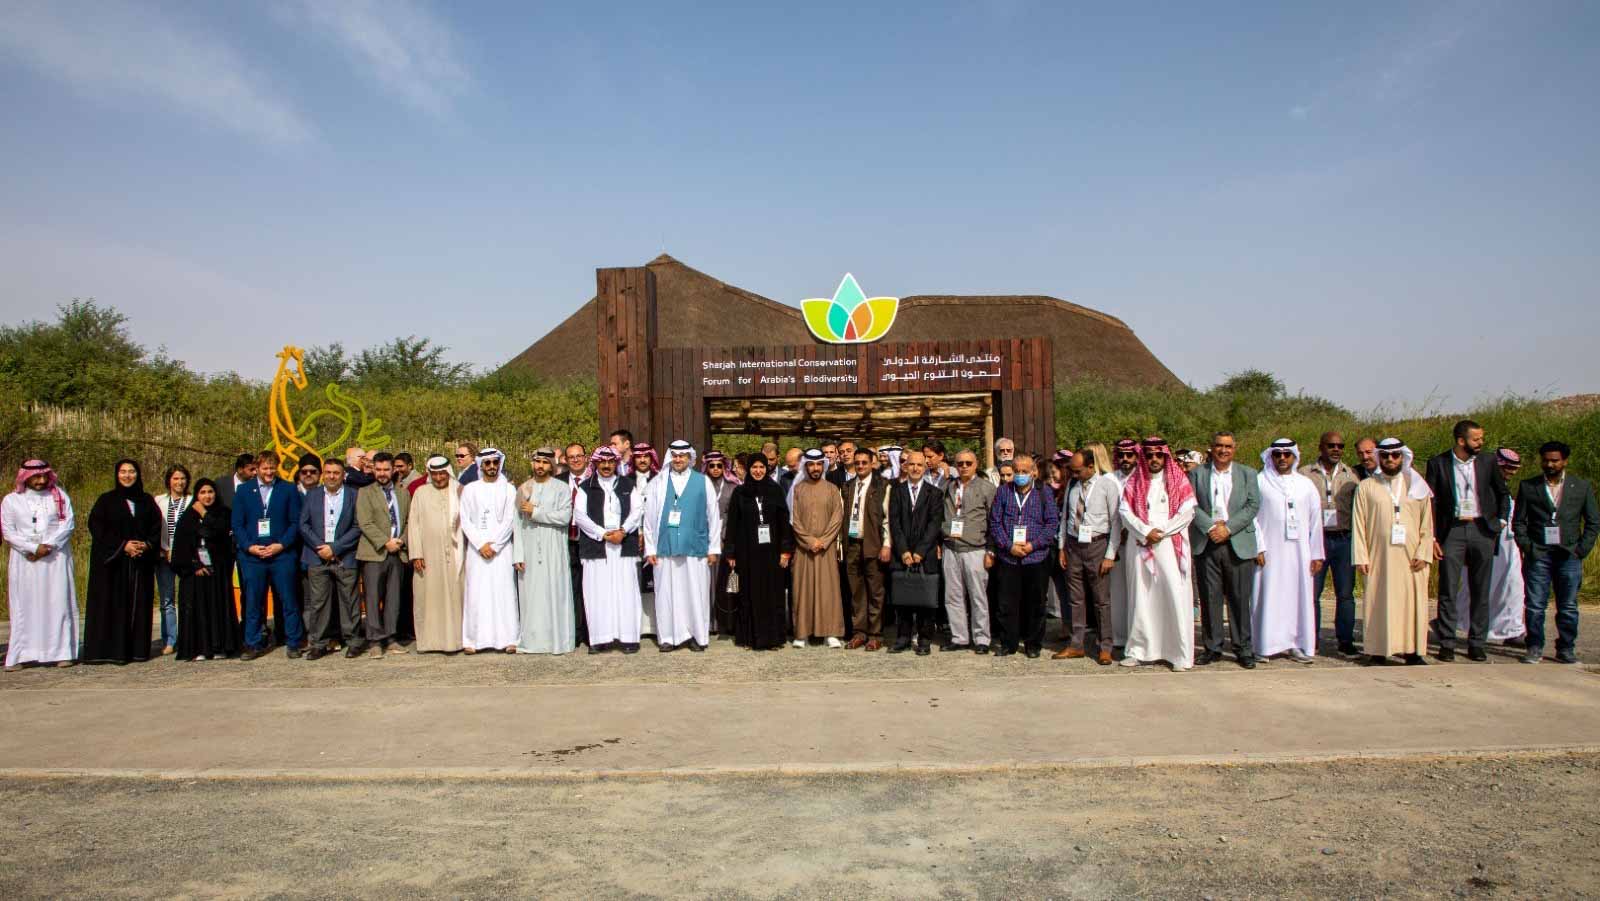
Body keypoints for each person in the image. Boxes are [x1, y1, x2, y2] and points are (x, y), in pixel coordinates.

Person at [1425, 419, 1511, 662]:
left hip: (1482, 529)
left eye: (1481, 438)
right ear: (1461, 441)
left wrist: (1500, 522)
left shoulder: (1488, 462)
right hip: (1452, 530)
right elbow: (1430, 501)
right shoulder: (1438, 463)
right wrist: (1432, 535)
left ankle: (1476, 642)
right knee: (1448, 589)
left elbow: (1502, 493)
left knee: (1481, 589)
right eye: (1476, 439)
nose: (1481, 443)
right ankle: (1447, 643)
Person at [1514, 441, 1599, 664]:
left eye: (1555, 460)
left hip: (1568, 554)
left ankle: (1566, 648)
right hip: (1539, 554)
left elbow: (1592, 522)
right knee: (1534, 604)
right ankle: (1534, 646)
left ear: (1564, 461)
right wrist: (1528, 547)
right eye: (1546, 460)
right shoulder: (1528, 486)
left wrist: (1581, 550)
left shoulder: (1580, 487)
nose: (1549, 464)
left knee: (1568, 605)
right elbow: (1519, 522)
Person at [1117, 437, 1198, 670]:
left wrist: (1160, 532)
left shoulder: (1178, 479)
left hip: (1170, 548)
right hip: (1141, 546)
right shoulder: (1134, 481)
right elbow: (1125, 512)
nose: (1154, 459)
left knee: (1173, 595)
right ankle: (1138, 650)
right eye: (1149, 455)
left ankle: (1177, 654)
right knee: (1141, 598)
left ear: (1165, 456)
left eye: (1158, 455)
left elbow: (1187, 512)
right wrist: (1145, 532)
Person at [1352, 438, 1434, 665]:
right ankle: (1379, 651)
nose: (1390, 459)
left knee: (1412, 602)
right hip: (1379, 557)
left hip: (1412, 558)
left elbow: (1427, 524)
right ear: (1379, 457)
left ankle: (1413, 652)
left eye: (1395, 455)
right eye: (1385, 456)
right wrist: (1361, 556)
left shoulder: (1417, 485)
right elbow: (1359, 524)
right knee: (1379, 601)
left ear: (1403, 457)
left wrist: (1424, 552)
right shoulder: (1367, 487)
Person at [1189, 431, 1261, 668]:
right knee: (1210, 597)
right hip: (1207, 542)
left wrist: (1227, 529)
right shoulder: (1197, 474)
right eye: (1219, 445)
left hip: (1237, 542)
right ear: (1211, 448)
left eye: (1228, 446)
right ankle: (1212, 647)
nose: (1223, 450)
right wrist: (1210, 527)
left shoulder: (1248, 474)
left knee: (1240, 598)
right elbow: (1190, 504)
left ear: (1234, 448)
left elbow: (1252, 506)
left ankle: (1243, 648)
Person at [643, 440, 723, 653]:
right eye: (675, 456)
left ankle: (697, 636)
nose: (678, 459)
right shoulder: (657, 483)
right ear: (670, 457)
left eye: (683, 456)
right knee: (666, 594)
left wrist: (713, 548)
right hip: (665, 549)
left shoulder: (703, 481)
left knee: (695, 593)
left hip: (695, 547)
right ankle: (668, 637)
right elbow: (649, 519)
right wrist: (650, 549)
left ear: (690, 458)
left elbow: (713, 517)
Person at [80, 459, 163, 664]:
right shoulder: (106, 501)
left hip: (139, 564)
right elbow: (97, 527)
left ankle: (135, 650)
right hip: (113, 565)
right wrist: (123, 545)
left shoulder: (146, 500)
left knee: (138, 605)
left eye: (132, 471)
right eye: (123, 472)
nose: (127, 475)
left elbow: (155, 527)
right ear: (117, 475)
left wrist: (145, 545)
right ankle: (108, 651)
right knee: (111, 605)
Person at [1252, 439, 1325, 663]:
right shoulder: (1260, 481)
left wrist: (1316, 553)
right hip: (1269, 553)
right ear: (1270, 457)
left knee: (1298, 598)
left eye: (1287, 454)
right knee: (1268, 595)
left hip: (1299, 554)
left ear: (1294, 457)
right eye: (1277, 455)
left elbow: (1315, 522)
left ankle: (1297, 644)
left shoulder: (1306, 484)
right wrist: (1258, 546)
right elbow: (1251, 517)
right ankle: (1264, 645)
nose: (1282, 458)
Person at [2, 460, 78, 670]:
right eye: (36, 477)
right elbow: (9, 532)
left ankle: (62, 652)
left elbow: (68, 524)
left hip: (55, 558)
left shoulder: (59, 496)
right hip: (25, 561)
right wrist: (33, 549)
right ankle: (22, 654)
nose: (41, 481)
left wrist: (48, 546)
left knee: (58, 603)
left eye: (44, 476)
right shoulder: (11, 500)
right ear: (25, 477)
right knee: (24, 607)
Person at [232, 450, 304, 660]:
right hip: (253, 557)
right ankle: (253, 643)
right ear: (257, 468)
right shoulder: (244, 491)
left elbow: (295, 522)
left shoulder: (288, 489)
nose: (269, 472)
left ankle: (293, 642)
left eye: (273, 468)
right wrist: (249, 547)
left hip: (281, 555)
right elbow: (237, 524)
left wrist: (281, 545)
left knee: (289, 600)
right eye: (265, 468)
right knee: (254, 602)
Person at [987, 452, 1060, 658]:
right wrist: (1008, 546)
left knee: (1035, 602)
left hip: (1035, 556)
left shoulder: (1044, 492)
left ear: (1034, 472)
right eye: (1017, 471)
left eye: (1024, 471)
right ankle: (1008, 643)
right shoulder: (1003, 491)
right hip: (1009, 556)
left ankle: (1033, 644)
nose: (1020, 475)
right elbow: (995, 522)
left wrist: (1032, 545)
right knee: (1006, 602)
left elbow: (1051, 524)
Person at [574, 447, 645, 653]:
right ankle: (599, 639)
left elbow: (637, 510)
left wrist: (623, 531)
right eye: (602, 462)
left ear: (616, 463)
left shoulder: (628, 484)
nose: (606, 466)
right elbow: (580, 516)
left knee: (626, 591)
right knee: (597, 592)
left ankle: (629, 638)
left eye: (610, 462)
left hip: (623, 544)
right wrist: (603, 533)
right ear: (595, 463)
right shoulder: (585, 487)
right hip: (597, 546)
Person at [1454, 448, 1528, 647]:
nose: (1511, 472)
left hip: (1508, 547)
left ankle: (1512, 629)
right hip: (1483, 543)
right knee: (1473, 588)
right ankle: (1454, 621)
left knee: (1513, 586)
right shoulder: (1479, 485)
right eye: (1508, 468)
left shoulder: (1503, 487)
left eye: (1514, 468)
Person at [1055, 444, 1119, 664]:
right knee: (1075, 598)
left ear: (1091, 467)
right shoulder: (1073, 484)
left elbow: (1115, 522)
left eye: (1078, 470)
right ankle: (1076, 644)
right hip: (1073, 545)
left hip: (1097, 545)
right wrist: (1062, 547)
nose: (1074, 474)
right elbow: (1065, 517)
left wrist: (1110, 554)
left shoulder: (1107, 485)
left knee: (1101, 600)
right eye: (1072, 471)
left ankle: (1105, 646)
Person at [1300, 431, 1360, 656]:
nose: (1336, 449)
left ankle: (1345, 640)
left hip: (1344, 538)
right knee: (1312, 593)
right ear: (1321, 447)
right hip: (1317, 539)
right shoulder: (1305, 474)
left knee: (1345, 593)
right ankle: (1311, 639)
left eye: (1341, 446)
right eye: (1332, 445)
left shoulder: (1351, 475)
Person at [724, 456, 793, 650]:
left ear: (767, 469)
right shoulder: (740, 492)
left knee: (772, 594)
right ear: (748, 469)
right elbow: (733, 525)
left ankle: (773, 638)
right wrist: (730, 552)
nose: (758, 471)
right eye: (754, 467)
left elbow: (783, 523)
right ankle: (749, 638)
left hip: (771, 553)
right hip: (747, 552)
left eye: (761, 467)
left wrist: (785, 551)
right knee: (748, 594)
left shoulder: (776, 491)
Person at [299, 458, 365, 659]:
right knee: (319, 603)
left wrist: (335, 548)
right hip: (317, 556)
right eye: (328, 472)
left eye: (336, 473)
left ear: (343, 475)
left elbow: (358, 526)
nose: (331, 476)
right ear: (322, 474)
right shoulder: (312, 494)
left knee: (350, 601)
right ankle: (319, 643)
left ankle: (353, 640)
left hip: (344, 556)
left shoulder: (354, 495)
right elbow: (303, 524)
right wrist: (321, 547)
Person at [169, 478, 240, 661]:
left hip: (218, 571)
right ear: (196, 495)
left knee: (218, 608)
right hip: (196, 574)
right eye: (202, 493)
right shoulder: (188, 517)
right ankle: (200, 648)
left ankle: (220, 646)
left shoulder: (223, 513)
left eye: (210, 492)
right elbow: (180, 548)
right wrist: (195, 566)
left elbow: (219, 532)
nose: (207, 496)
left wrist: (205, 514)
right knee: (198, 610)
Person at [513, 447, 576, 655]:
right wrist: (518, 555)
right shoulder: (523, 489)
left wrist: (536, 512)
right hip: (530, 550)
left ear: (552, 465)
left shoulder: (561, 488)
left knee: (554, 593)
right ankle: (533, 642)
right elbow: (517, 524)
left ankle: (558, 641)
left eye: (545, 463)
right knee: (531, 596)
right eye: (537, 462)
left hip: (554, 549)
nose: (540, 466)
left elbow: (564, 517)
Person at [459, 448, 520, 654]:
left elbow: (512, 519)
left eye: (495, 463)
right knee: (477, 593)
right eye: (488, 463)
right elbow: (465, 520)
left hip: (501, 551)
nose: (492, 467)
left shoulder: (509, 490)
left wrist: (494, 545)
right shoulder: (470, 489)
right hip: (477, 552)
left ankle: (509, 639)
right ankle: (473, 640)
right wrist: (480, 544)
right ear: (481, 465)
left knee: (504, 593)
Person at [790, 449, 846, 648]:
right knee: (802, 589)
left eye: (818, 464)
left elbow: (837, 518)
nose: (815, 468)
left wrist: (823, 540)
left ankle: (830, 632)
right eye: (811, 465)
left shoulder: (832, 489)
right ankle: (802, 633)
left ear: (823, 465)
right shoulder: (798, 489)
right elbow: (794, 520)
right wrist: (809, 541)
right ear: (806, 466)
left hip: (826, 549)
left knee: (828, 589)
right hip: (804, 549)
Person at [355, 452, 410, 655]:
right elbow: (365, 522)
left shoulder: (403, 494)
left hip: (398, 552)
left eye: (386, 469)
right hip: (374, 553)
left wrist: (401, 540)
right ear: (373, 470)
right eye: (378, 470)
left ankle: (391, 637)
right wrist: (385, 542)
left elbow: (408, 521)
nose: (382, 473)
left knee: (393, 597)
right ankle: (375, 640)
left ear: (393, 470)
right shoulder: (365, 492)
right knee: (372, 597)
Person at [888, 450, 943, 655]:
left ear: (925, 467)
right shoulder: (896, 490)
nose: (915, 468)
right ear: (905, 466)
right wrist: (903, 551)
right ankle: (902, 638)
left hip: (925, 553)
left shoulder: (934, 493)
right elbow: (894, 522)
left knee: (925, 601)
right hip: (902, 553)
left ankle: (925, 639)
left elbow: (934, 524)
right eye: (912, 464)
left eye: (920, 465)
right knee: (902, 599)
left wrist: (920, 551)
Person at [942, 448, 996, 653]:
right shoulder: (948, 487)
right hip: (951, 547)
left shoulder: (986, 488)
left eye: (968, 463)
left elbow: (994, 521)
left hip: (976, 549)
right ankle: (959, 637)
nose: (963, 466)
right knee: (953, 596)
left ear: (976, 464)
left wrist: (991, 550)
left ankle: (982, 638)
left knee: (978, 595)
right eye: (960, 463)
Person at [409, 456, 464, 654]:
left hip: (456, 555)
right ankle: (430, 642)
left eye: (443, 473)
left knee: (456, 596)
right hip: (428, 556)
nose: (439, 477)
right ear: (430, 474)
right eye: (435, 474)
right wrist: (416, 553)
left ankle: (456, 641)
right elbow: (413, 524)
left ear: (448, 472)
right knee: (429, 598)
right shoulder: (420, 493)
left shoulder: (459, 490)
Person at [839, 447, 891, 649]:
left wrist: (886, 544)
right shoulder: (847, 486)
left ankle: (875, 634)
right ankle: (859, 632)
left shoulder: (882, 486)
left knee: (876, 592)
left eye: (864, 462)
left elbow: (887, 519)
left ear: (872, 463)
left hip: (873, 544)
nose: (860, 466)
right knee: (856, 591)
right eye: (857, 462)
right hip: (852, 544)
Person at [151, 464, 192, 656]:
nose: (179, 482)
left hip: (186, 557)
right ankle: (170, 639)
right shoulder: (158, 500)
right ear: (169, 480)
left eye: (182, 478)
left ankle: (189, 636)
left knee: (188, 599)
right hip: (163, 555)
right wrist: (162, 549)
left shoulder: (192, 500)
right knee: (167, 600)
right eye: (175, 478)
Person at [702, 450, 740, 637]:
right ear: (706, 467)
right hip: (705, 541)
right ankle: (708, 623)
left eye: (719, 465)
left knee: (727, 583)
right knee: (705, 583)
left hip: (726, 540)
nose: (716, 469)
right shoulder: (699, 485)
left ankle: (726, 623)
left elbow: (734, 518)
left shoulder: (733, 487)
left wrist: (727, 538)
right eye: (712, 465)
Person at [561, 442, 590, 648]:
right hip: (567, 541)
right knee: (572, 588)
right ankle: (575, 632)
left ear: (586, 457)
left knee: (591, 587)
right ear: (565, 460)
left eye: (579, 456)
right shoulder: (558, 481)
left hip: (590, 541)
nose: (576, 460)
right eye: (571, 457)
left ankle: (591, 632)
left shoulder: (595, 479)